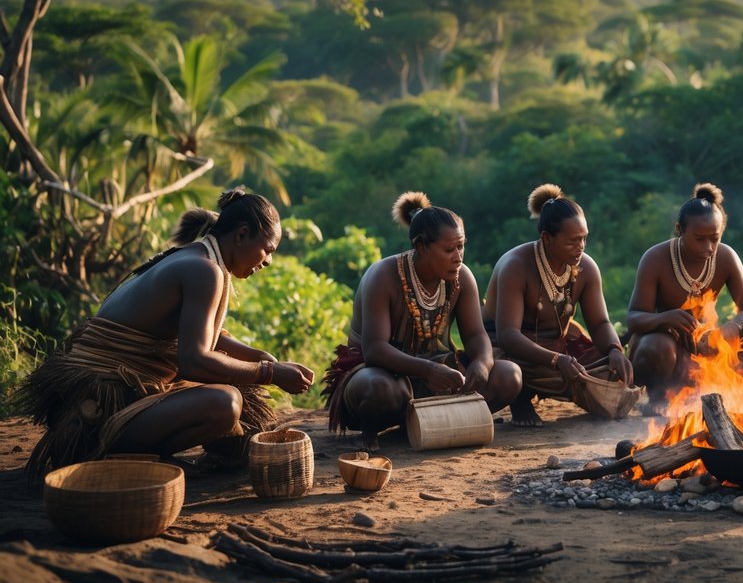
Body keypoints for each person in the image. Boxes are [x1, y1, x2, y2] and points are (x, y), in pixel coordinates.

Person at [19, 188, 313, 480]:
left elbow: (207, 333)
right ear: (241, 234)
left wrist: (258, 357)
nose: (268, 261)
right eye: (268, 250)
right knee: (226, 403)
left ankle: (142, 449)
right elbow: (193, 362)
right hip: (101, 405)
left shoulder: (198, 257)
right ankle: (115, 456)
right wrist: (269, 372)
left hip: (119, 389)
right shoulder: (204, 270)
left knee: (241, 397)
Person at [322, 192, 522, 451]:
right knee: (382, 389)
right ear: (421, 246)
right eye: (449, 249)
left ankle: (424, 423)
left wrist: (483, 364)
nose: (458, 256)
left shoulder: (462, 278)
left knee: (509, 375)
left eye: (461, 246)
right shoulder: (383, 276)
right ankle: (376, 429)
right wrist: (427, 370)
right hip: (383, 374)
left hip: (439, 372)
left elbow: (474, 336)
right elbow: (374, 350)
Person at [483, 184, 634, 427]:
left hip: (558, 352)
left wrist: (615, 350)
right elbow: (508, 335)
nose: (581, 246)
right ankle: (520, 398)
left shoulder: (586, 268)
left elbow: (600, 323)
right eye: (573, 241)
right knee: (509, 370)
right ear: (546, 238)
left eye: (584, 238)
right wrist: (556, 360)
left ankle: (551, 380)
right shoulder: (516, 265)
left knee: (612, 373)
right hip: (507, 351)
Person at [626, 183, 743, 414]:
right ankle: (659, 400)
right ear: (679, 229)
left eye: (714, 238)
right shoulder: (655, 258)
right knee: (658, 347)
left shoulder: (725, 257)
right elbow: (634, 318)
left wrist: (732, 328)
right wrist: (666, 318)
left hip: (705, 347)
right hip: (667, 351)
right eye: (699, 239)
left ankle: (708, 393)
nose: (708, 247)